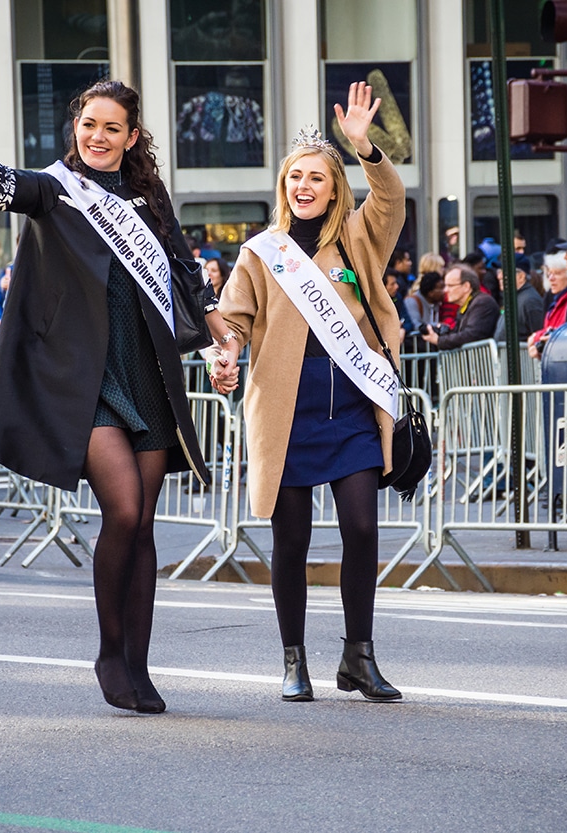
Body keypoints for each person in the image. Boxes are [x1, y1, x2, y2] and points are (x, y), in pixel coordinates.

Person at [0, 66, 237, 714]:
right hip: (85, 379)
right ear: (75, 127)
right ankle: (110, 651)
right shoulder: (56, 191)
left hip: (147, 368)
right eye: (89, 125)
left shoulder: (148, 198)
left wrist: (222, 331)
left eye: (113, 128)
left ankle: (139, 664)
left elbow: (182, 268)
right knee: (127, 511)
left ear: (133, 135)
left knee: (145, 529)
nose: (99, 136)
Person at [215, 82, 404, 703]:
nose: (304, 186)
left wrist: (362, 147)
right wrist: (227, 353)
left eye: (317, 178)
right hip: (287, 413)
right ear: (284, 185)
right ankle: (293, 659)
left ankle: (359, 656)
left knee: (361, 527)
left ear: (333, 187)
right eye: (295, 176)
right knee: (291, 541)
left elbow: (392, 200)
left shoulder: (357, 237)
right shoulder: (260, 253)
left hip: (351, 405)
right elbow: (235, 319)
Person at [421, 263, 499, 350]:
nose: (445, 290)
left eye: (450, 286)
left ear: (466, 286)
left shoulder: (482, 303)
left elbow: (471, 335)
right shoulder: (467, 305)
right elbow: (460, 333)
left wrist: (439, 340)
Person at [495, 253, 547, 341]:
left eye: (505, 272)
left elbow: (539, 335)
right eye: (499, 272)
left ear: (521, 276)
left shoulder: (530, 301)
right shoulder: (516, 298)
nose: (499, 276)